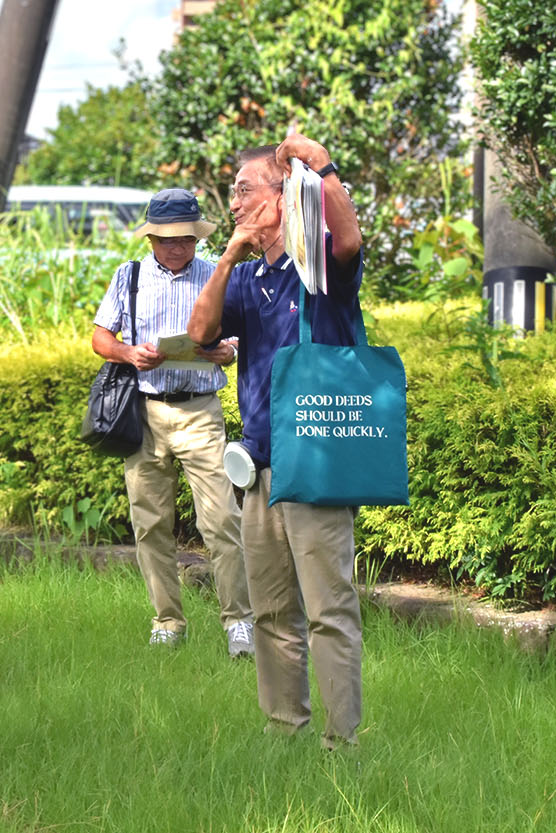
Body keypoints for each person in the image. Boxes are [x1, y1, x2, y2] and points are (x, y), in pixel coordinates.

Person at [187, 133, 365, 749]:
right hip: (260, 466)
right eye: (232, 192)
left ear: (283, 195)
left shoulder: (316, 267)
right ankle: (284, 731)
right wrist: (230, 255)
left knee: (329, 613)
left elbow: (350, 241)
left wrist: (319, 163)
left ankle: (342, 747)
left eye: (244, 190)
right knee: (269, 612)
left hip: (315, 462)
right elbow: (200, 331)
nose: (234, 202)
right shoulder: (249, 276)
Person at [91, 188, 253, 655]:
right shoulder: (130, 276)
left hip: (200, 411)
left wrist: (228, 351)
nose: (177, 247)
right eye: (167, 239)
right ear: (151, 239)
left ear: (197, 237)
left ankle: (239, 622)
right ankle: (167, 621)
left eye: (186, 238)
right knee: (150, 523)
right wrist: (127, 353)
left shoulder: (217, 274)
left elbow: (239, 337)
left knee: (222, 520)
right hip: (144, 412)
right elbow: (101, 337)